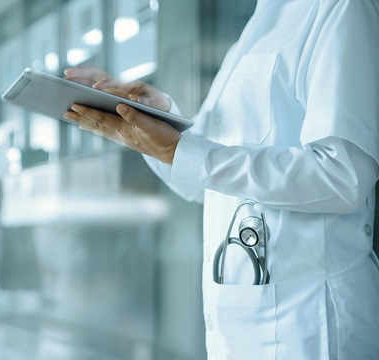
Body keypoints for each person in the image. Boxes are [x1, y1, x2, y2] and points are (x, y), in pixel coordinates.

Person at [63, 1, 379, 359]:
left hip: (308, 326)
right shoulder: (258, 24)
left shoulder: (339, 8)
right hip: (240, 329)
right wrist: (158, 125)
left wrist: (183, 152)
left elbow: (341, 176)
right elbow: (200, 183)